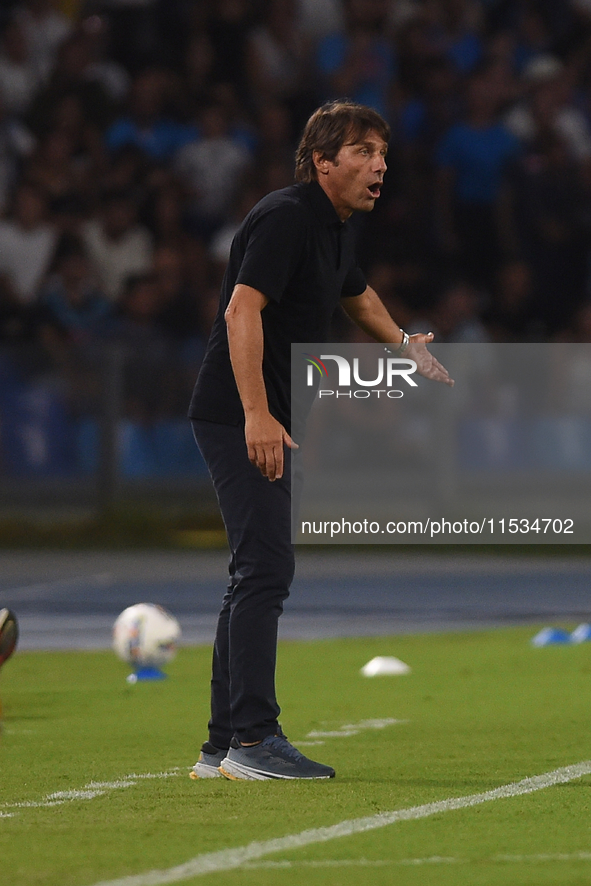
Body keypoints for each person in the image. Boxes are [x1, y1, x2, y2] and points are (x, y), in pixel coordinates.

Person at [188, 100, 453, 782]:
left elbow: (354, 295)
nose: (379, 165)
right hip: (239, 414)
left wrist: (403, 344)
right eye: (363, 152)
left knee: (252, 570)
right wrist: (256, 414)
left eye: (383, 153)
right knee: (267, 569)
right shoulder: (285, 217)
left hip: (264, 416)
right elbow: (240, 309)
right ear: (321, 161)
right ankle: (253, 742)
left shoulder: (333, 227)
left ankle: (222, 744)